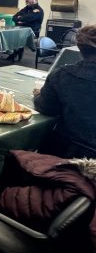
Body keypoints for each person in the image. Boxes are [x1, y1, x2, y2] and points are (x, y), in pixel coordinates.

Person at [34, 25, 96, 158]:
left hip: (68, 155)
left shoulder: (62, 75)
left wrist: (39, 95)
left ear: (79, 48)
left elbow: (46, 108)